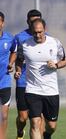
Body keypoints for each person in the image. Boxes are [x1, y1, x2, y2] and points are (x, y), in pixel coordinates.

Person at [14, 18, 66, 139]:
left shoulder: (55, 43)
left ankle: (47, 135)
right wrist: (18, 70)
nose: (37, 35)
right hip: (33, 90)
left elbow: (65, 60)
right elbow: (19, 59)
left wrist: (56, 65)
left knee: (52, 125)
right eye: (35, 32)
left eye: (40, 32)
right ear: (31, 31)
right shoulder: (25, 45)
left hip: (51, 90)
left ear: (45, 29)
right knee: (35, 123)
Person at [14, 9, 42, 139]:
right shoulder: (19, 37)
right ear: (27, 22)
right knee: (23, 117)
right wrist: (17, 70)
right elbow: (15, 56)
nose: (35, 24)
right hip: (23, 82)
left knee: (37, 117)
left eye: (37, 21)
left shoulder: (45, 37)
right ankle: (20, 132)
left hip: (39, 83)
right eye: (32, 22)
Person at [0, 12, 17, 137]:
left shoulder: (10, 38)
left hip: (4, 81)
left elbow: (14, 52)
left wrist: (11, 63)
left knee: (4, 116)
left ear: (2, 22)